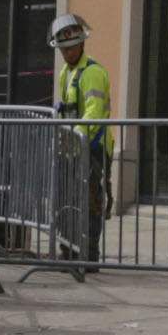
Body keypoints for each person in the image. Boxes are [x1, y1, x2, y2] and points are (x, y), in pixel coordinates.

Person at [48, 14, 111, 266]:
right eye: (63, 49)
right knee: (67, 200)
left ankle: (87, 255)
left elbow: (94, 113)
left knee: (90, 202)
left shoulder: (92, 73)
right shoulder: (67, 72)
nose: (67, 52)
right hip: (72, 147)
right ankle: (70, 252)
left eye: (71, 48)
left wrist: (77, 138)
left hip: (92, 148)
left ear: (82, 44)